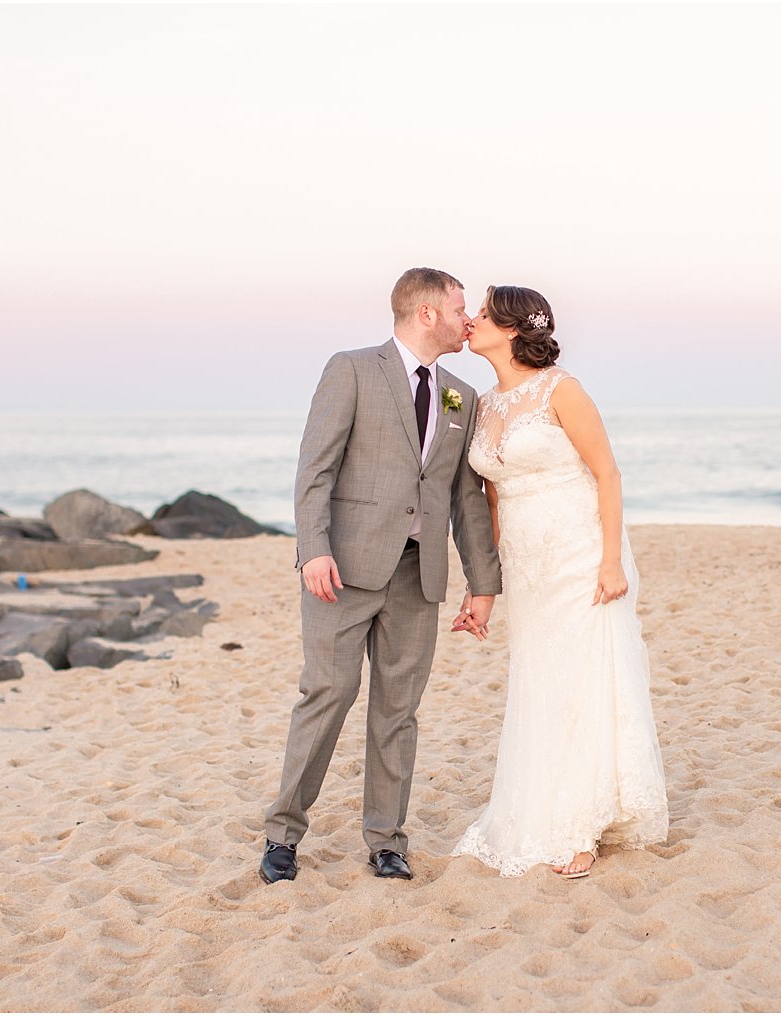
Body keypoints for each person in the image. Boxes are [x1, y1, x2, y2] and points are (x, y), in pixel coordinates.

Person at [261, 268, 503, 884]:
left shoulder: (461, 395)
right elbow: (315, 466)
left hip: (418, 577)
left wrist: (483, 584)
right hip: (341, 568)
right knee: (328, 695)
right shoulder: (351, 369)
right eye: (458, 308)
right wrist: (312, 548)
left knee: (398, 711)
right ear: (426, 313)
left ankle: (386, 839)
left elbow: (464, 498)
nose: (467, 318)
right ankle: (283, 833)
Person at [451, 285, 668, 878]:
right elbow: (491, 504)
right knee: (541, 679)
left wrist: (610, 561)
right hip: (528, 563)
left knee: (582, 677)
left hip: (578, 551)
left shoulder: (561, 389)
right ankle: (543, 807)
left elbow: (607, 474)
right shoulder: (483, 404)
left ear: (512, 328)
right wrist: (483, 588)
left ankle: (582, 826)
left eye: (482, 314)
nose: (469, 321)